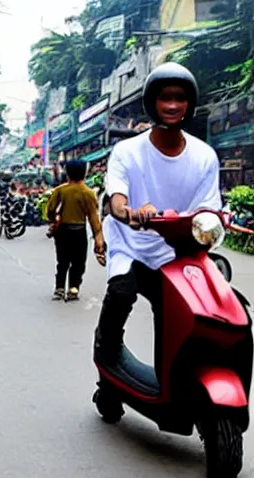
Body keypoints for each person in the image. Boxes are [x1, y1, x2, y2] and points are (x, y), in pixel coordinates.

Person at [94, 63, 221, 364]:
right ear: (152, 103)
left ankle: (170, 383)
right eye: (165, 97)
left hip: (176, 253)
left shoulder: (205, 156)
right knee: (121, 297)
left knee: (180, 314)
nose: (173, 105)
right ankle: (108, 370)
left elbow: (208, 210)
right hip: (131, 249)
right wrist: (133, 213)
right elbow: (116, 203)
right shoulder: (126, 151)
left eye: (180, 98)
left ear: (190, 104)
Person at [46, 160, 104, 301]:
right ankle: (73, 288)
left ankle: (59, 288)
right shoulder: (88, 193)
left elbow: (50, 210)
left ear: (67, 173)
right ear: (84, 173)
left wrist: (54, 220)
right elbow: (93, 216)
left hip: (63, 231)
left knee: (62, 261)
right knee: (78, 262)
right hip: (79, 231)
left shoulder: (60, 191)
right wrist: (98, 235)